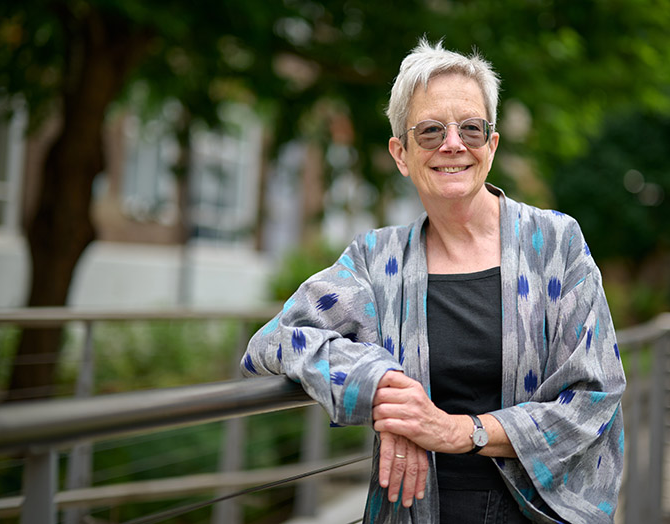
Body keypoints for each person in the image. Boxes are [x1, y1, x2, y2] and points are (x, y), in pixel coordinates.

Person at [240, 38, 625, 524]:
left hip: (538, 514)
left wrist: (457, 431)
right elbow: (273, 341)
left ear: (491, 145)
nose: (453, 144)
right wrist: (382, 385)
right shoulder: (375, 260)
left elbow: (594, 394)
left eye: (471, 128)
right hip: (412, 512)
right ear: (401, 154)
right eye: (430, 131)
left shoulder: (555, 243)